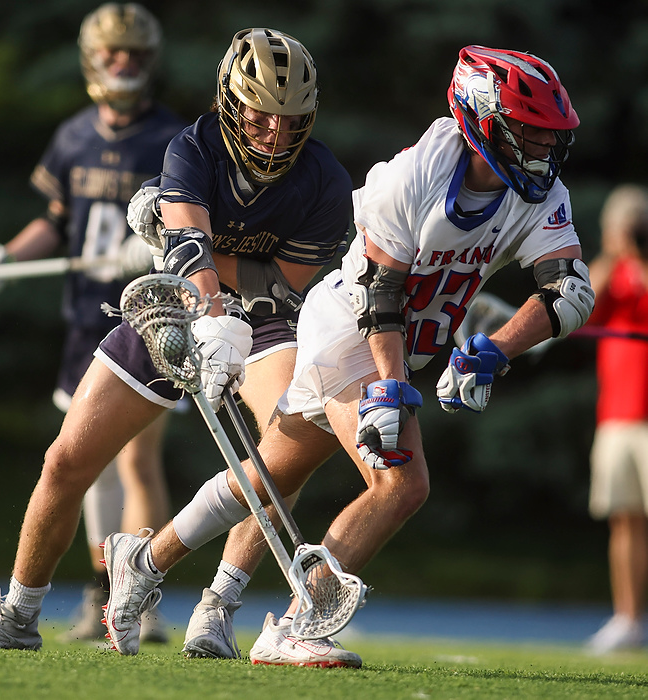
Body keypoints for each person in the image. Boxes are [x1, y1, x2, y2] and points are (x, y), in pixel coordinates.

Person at [97, 44, 594, 668]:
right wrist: (388, 386)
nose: (543, 151)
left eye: (550, 138)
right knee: (401, 485)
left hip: (398, 346)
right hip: (351, 326)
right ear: (483, 118)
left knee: (270, 475)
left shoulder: (538, 191)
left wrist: (493, 350)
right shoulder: (419, 171)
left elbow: (568, 291)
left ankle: (142, 562)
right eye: (530, 134)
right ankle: (300, 626)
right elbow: (382, 294)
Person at [0, 27, 352, 653]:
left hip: (270, 319)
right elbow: (189, 249)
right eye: (261, 115)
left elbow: (278, 284)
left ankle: (218, 605)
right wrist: (206, 296)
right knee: (66, 460)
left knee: (281, 461)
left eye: (290, 120)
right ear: (231, 103)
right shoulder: (192, 146)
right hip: (175, 307)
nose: (274, 132)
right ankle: (18, 616)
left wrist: (208, 273)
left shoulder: (323, 179)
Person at [0, 3, 187, 643]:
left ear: (150, 59)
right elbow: (54, 222)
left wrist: (161, 241)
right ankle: (105, 597)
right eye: (114, 53)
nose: (124, 63)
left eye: (135, 54)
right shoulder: (75, 135)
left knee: (138, 461)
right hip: (85, 320)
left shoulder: (172, 137)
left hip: (148, 314)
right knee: (90, 466)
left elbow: (194, 220)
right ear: (93, 58)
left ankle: (144, 603)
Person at [584, 184, 648, 654]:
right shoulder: (613, 271)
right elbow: (586, 300)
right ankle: (627, 618)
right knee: (624, 520)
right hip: (618, 417)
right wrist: (615, 252)